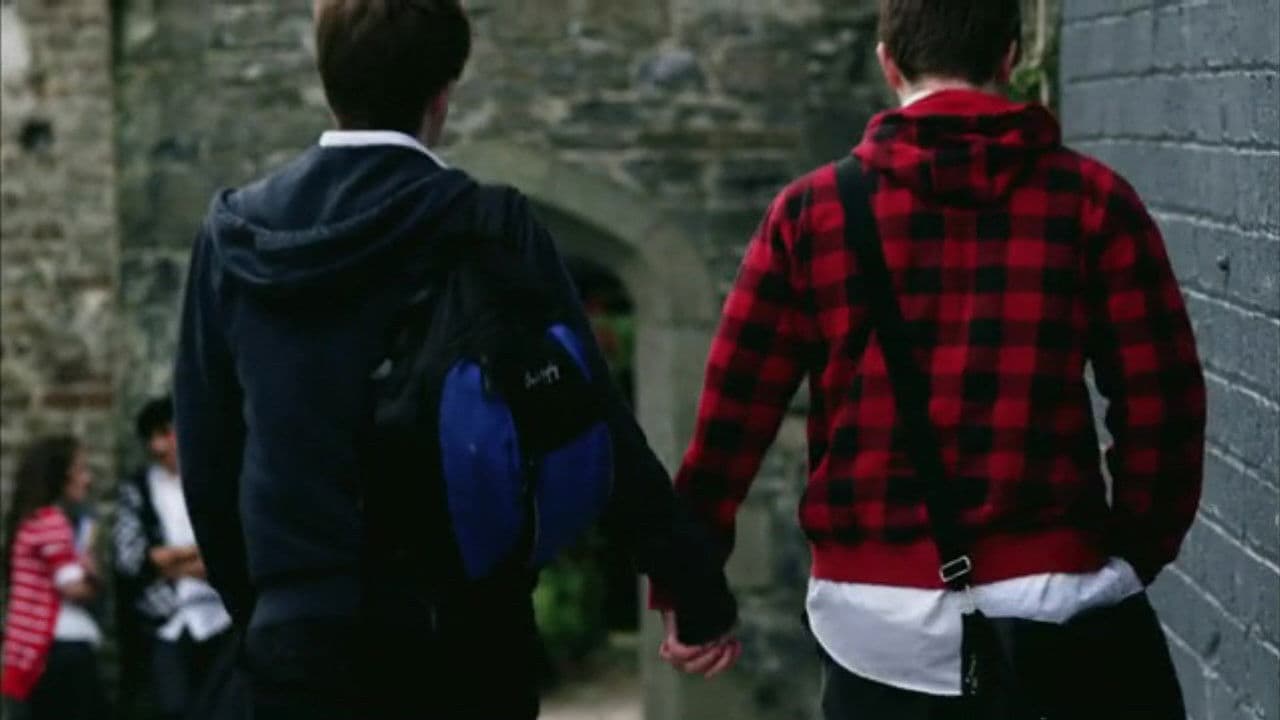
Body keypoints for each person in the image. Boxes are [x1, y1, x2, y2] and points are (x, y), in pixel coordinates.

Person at [172, 2, 737, 718]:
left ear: (327, 81)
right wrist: (693, 586)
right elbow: (587, 419)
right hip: (465, 642)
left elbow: (208, 457)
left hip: (300, 643)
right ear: (443, 94)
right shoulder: (489, 226)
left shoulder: (235, 236)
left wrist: (266, 616)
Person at [655, 0, 1207, 717]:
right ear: (1010, 57)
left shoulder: (810, 213)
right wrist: (1131, 555)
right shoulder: (1093, 202)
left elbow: (731, 423)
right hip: (1052, 602)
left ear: (889, 64)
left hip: (873, 619)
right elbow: (1164, 407)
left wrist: (691, 587)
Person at [113, 396, 235, 720]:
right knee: (173, 707)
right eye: (152, 438)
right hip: (167, 618)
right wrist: (197, 554)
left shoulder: (217, 481)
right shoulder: (139, 489)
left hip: (221, 617)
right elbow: (131, 559)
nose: (158, 446)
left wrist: (171, 562)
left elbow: (232, 551)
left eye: (166, 433)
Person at [1, 436, 110, 720]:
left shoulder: (29, 520)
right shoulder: (52, 521)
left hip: (31, 652)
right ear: (60, 476)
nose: (87, 479)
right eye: (81, 470)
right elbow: (73, 588)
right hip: (59, 649)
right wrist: (94, 575)